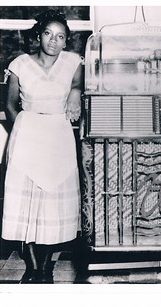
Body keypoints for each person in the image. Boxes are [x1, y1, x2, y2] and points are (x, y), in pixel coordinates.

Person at [1, 10, 82, 283]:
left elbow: (77, 84)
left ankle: (45, 267)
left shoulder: (73, 62)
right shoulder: (20, 64)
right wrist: (23, 134)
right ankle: (33, 269)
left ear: (66, 41)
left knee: (50, 208)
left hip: (58, 137)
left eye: (61, 36)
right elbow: (10, 105)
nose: (53, 41)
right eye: (48, 34)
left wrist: (75, 93)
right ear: (39, 35)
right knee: (29, 207)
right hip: (28, 136)